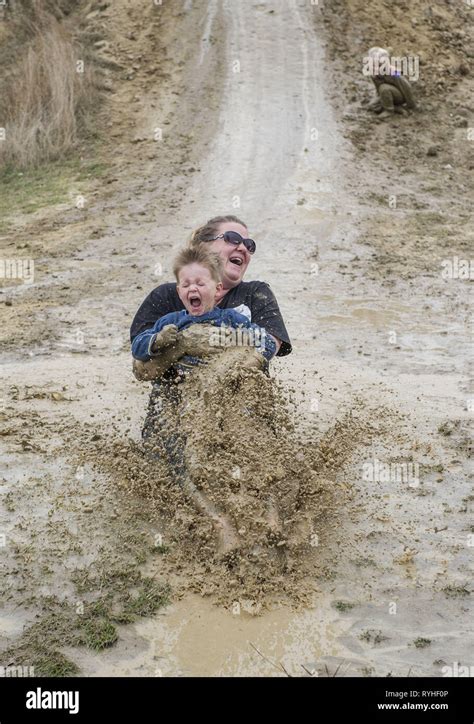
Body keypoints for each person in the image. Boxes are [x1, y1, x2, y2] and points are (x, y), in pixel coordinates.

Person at [130, 215, 292, 444]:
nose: (243, 247)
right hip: (173, 420)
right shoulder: (165, 297)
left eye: (249, 245)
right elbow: (140, 365)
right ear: (202, 246)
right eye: (233, 238)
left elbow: (271, 342)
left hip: (244, 419)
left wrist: (224, 351)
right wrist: (181, 344)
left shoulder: (257, 293)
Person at [131, 245, 277, 374]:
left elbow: (267, 342)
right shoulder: (171, 322)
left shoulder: (231, 319)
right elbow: (137, 348)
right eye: (186, 285)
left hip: (224, 380)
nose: (193, 288)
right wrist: (158, 340)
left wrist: (248, 357)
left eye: (200, 284)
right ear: (179, 291)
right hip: (180, 385)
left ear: (217, 289)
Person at [366, 47, 417, 119]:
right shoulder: (374, 74)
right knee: (372, 106)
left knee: (383, 88)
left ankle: (389, 110)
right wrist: (379, 99)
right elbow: (378, 89)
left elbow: (406, 86)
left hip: (399, 95)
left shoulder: (393, 72)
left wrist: (411, 105)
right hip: (386, 94)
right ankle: (397, 108)